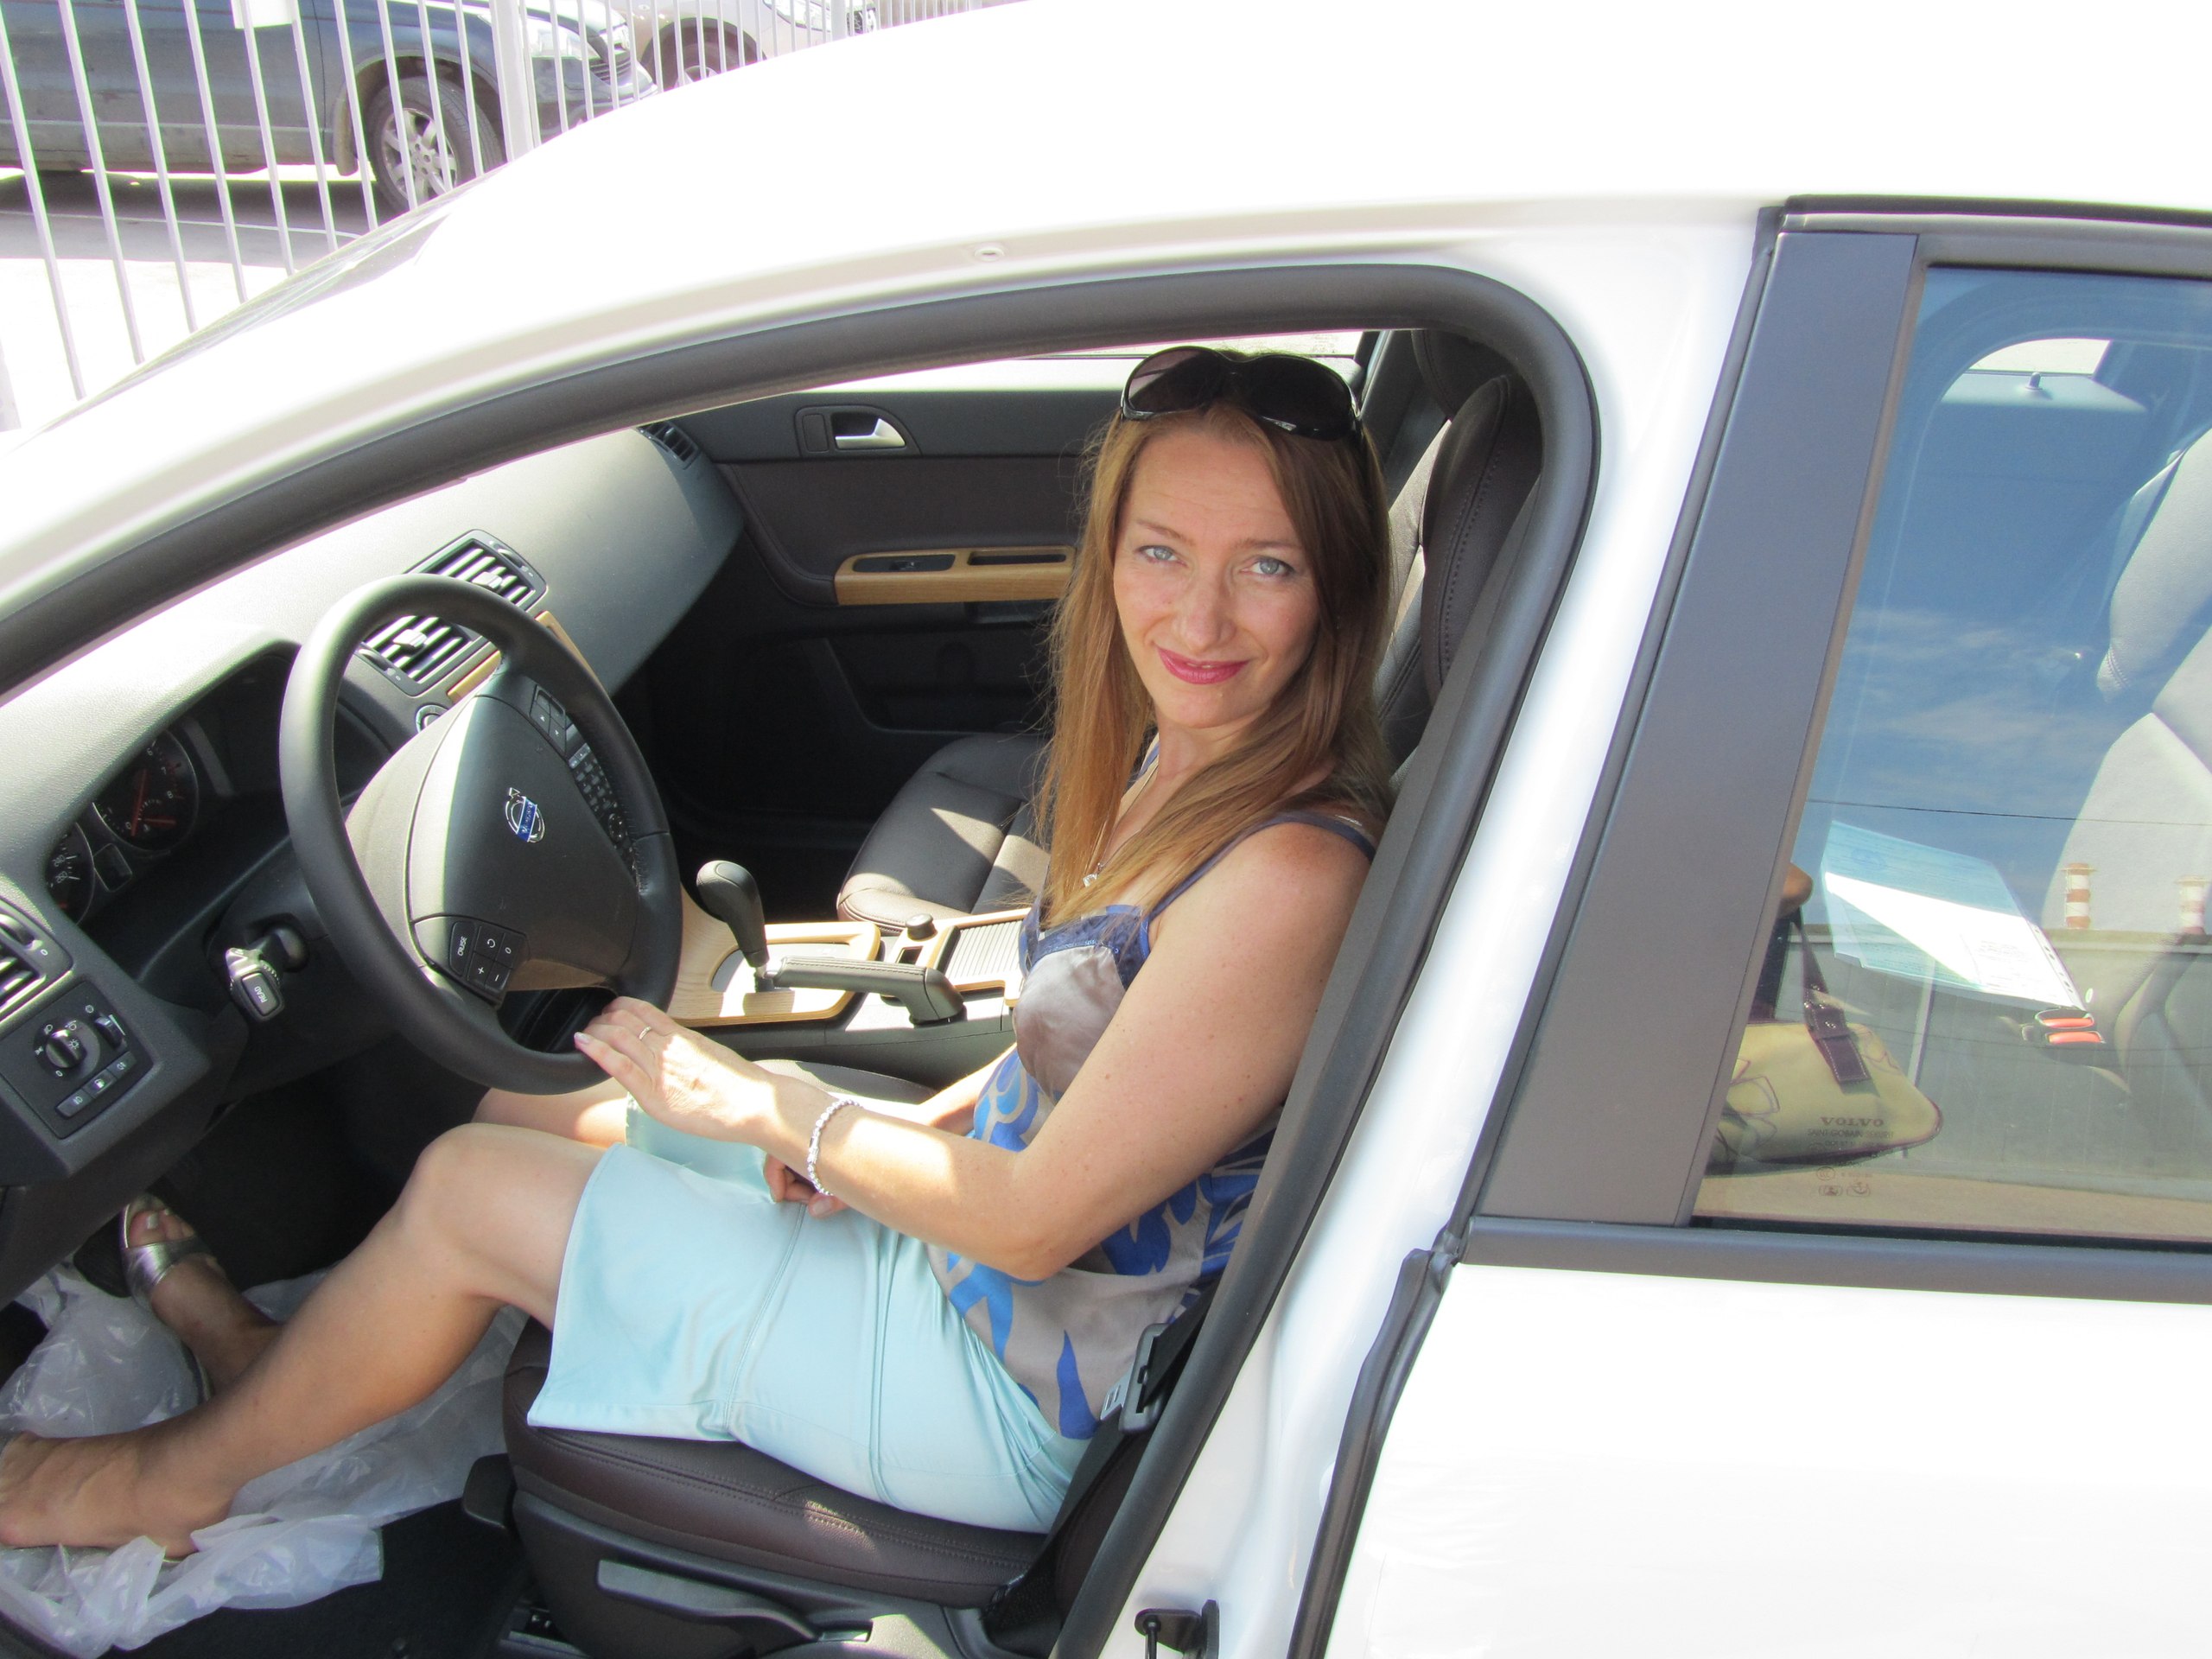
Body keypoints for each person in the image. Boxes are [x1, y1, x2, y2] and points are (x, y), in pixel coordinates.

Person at [0, 344, 1395, 1554]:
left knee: (470, 1191)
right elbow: (1080, 1064)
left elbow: (1036, 1218)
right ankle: (265, 1372)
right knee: (528, 1107)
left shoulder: (1284, 877)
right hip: (985, 1275)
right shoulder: (1188, 758)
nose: (1198, 619)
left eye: (1266, 567)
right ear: (1109, 556)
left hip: (1011, 1386)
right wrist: (890, 1140)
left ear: (1332, 590)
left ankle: (161, 1485)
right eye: (1161, 552)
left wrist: (778, 1108)